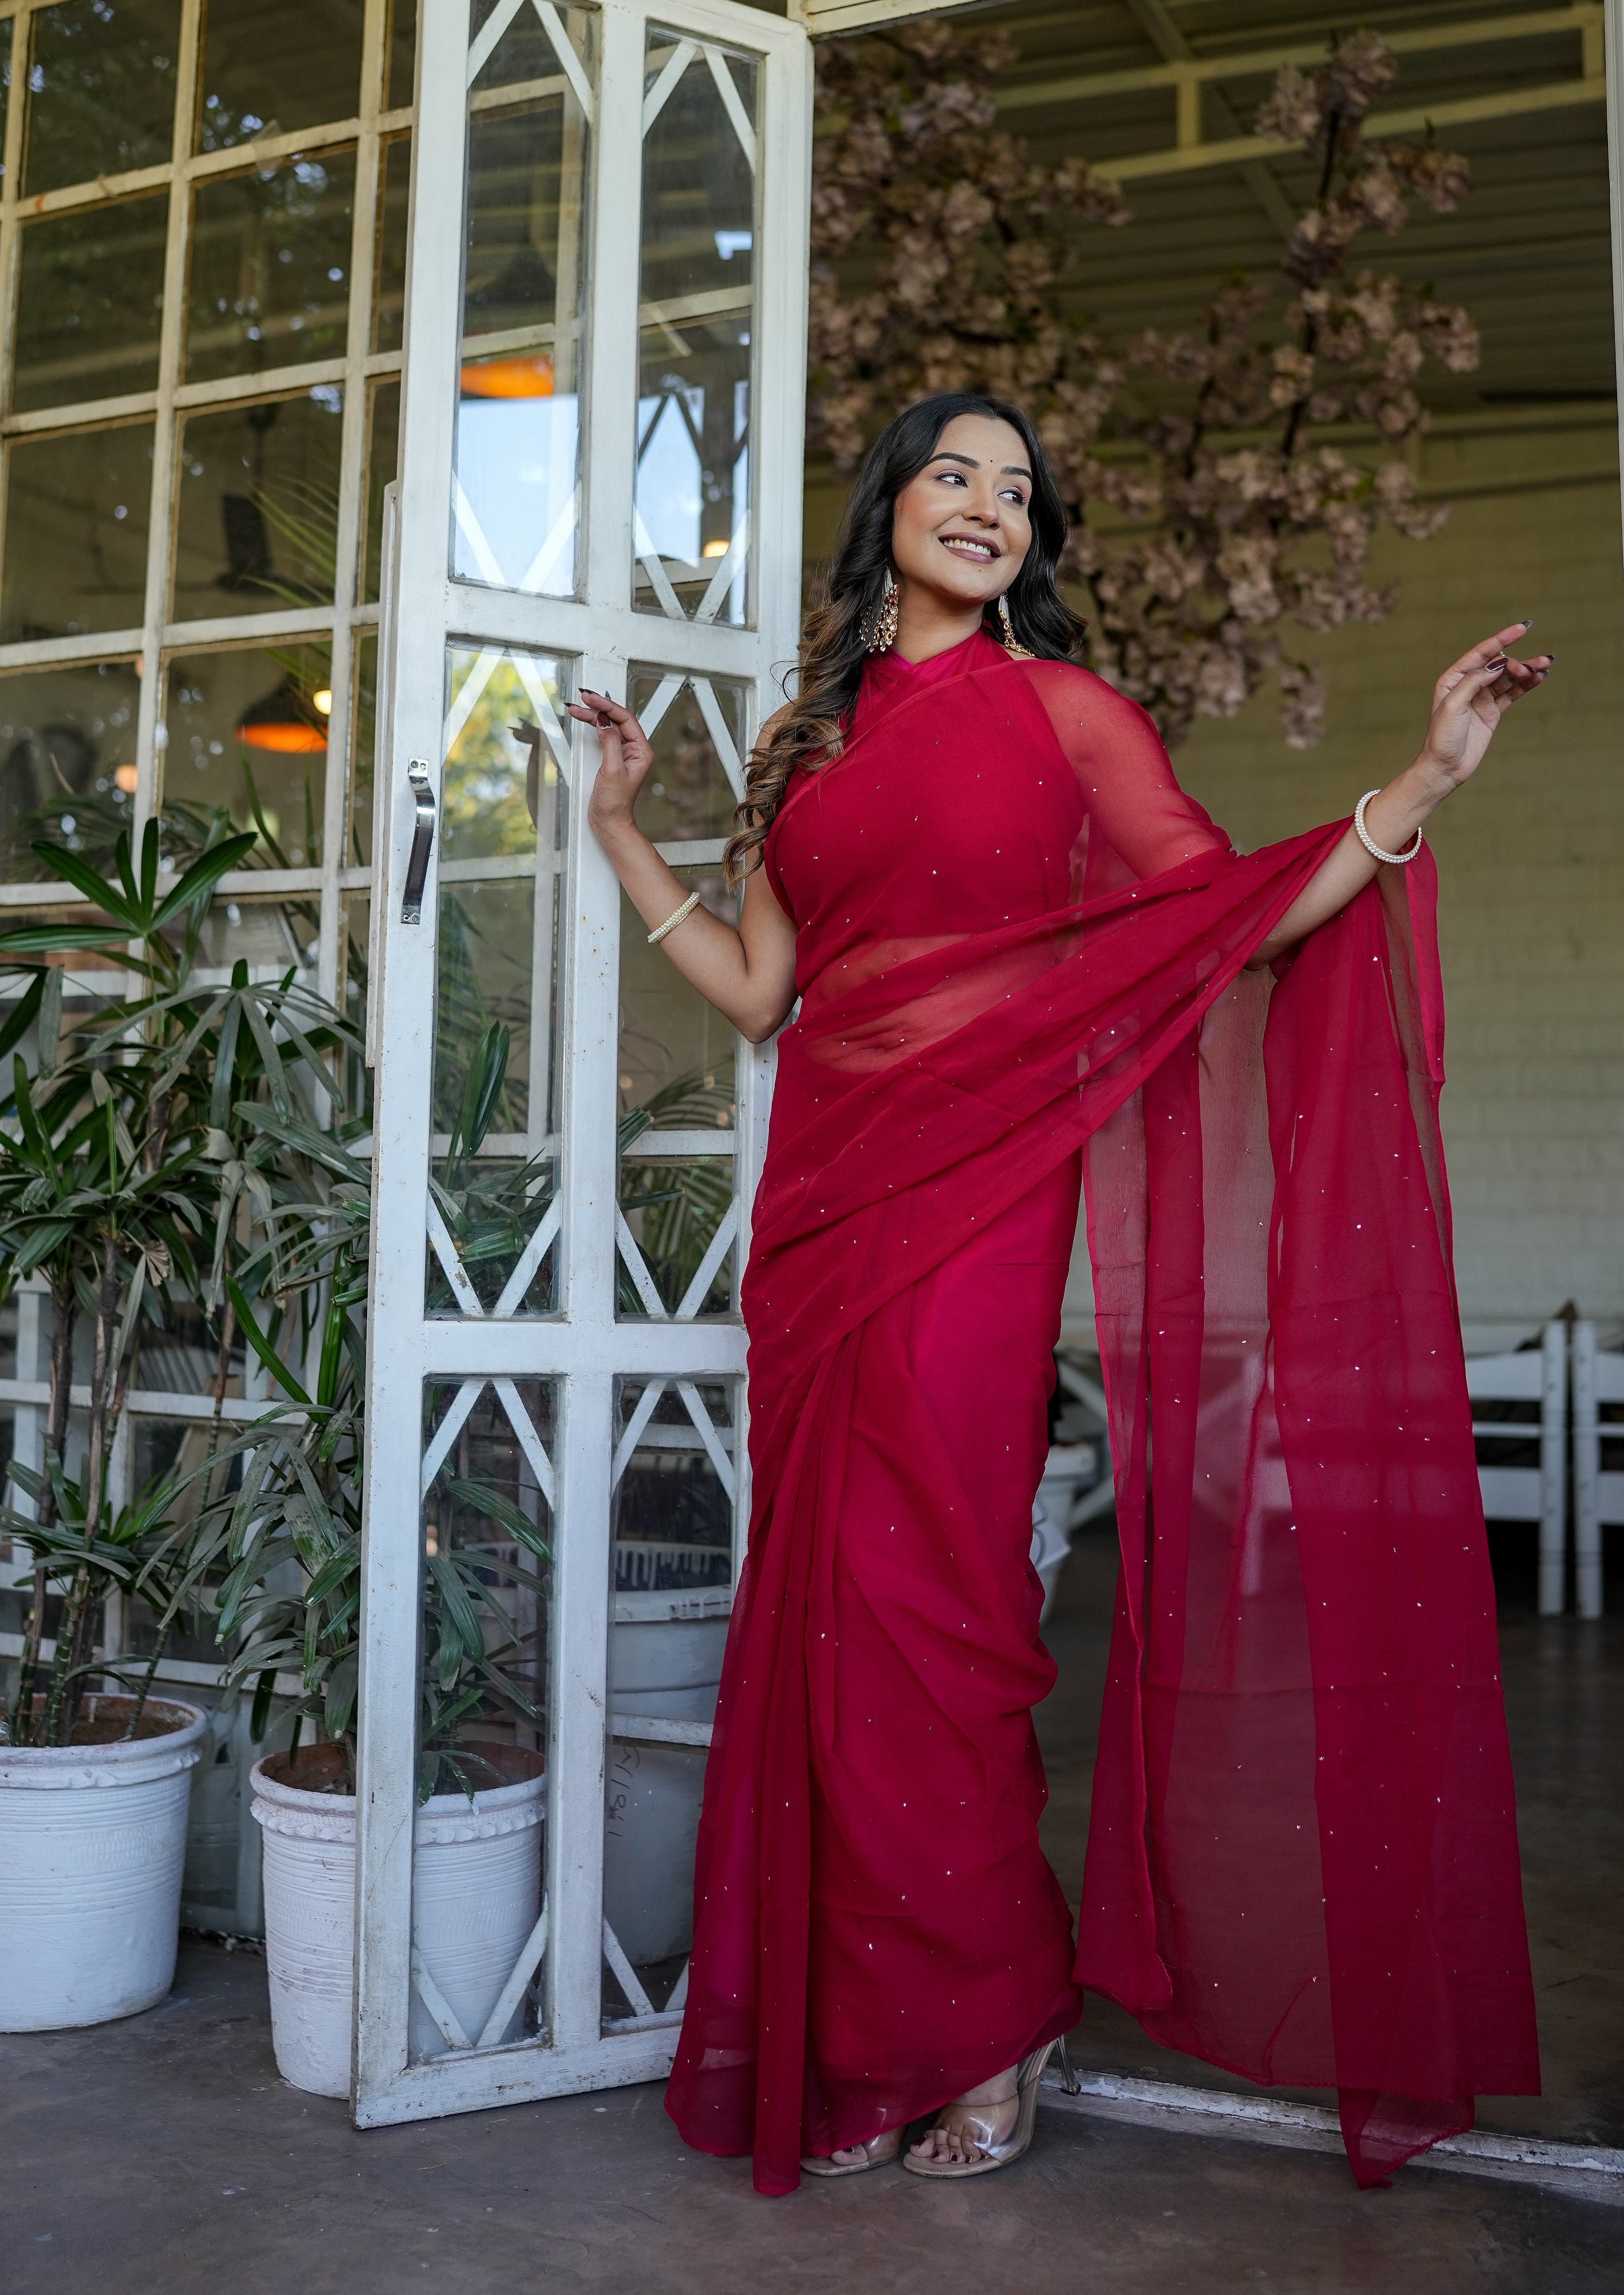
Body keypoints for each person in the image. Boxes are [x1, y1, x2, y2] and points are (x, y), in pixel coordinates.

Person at [569, 392, 1548, 2197]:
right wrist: (624, 827)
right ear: (893, 507)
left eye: (1019, 492)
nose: (991, 506)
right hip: (821, 1220)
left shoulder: (1071, 716)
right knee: (828, 1633)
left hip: (976, 1212)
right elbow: (765, 990)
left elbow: (1230, 920)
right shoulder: (807, 743)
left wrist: (1422, 782)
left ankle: (993, 2016)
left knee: (933, 1610)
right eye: (958, 473)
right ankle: (864, 2039)